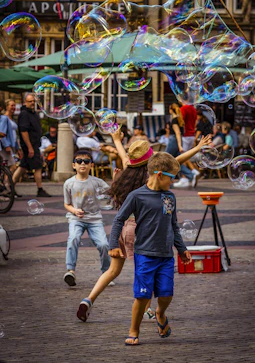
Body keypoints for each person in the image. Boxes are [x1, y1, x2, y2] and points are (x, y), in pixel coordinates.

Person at [76, 128, 211, 323]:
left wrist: (116, 139)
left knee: (113, 270)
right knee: (148, 268)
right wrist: (198, 147)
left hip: (123, 229)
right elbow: (178, 160)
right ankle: (146, 310)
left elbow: (123, 154)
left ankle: (88, 299)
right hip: (142, 230)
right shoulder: (153, 176)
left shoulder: (127, 169)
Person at [108, 152, 192, 345]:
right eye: (172, 178)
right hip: (145, 254)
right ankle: (134, 330)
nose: (173, 183)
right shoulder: (137, 196)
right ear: (160, 174)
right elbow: (118, 220)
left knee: (166, 294)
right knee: (142, 295)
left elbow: (173, 225)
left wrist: (181, 248)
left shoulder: (169, 197)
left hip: (166, 255)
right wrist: (113, 245)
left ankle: (160, 314)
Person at [63, 149, 113, 287]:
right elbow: (66, 204)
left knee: (104, 244)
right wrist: (74, 210)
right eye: (79, 161)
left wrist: (116, 178)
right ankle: (70, 270)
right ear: (74, 165)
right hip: (76, 218)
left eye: (86, 161)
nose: (82, 164)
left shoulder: (97, 182)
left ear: (91, 165)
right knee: (73, 238)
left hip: (95, 219)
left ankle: (106, 273)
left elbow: (111, 193)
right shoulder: (68, 183)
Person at [12, 94, 51, 197]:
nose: (32, 103)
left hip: (34, 145)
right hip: (30, 146)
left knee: (23, 167)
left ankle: (10, 188)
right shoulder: (24, 114)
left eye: (33, 101)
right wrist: (29, 147)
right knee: (38, 167)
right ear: (25, 102)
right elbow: (24, 132)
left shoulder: (33, 113)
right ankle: (40, 189)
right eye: (30, 101)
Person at [167, 103, 198, 188]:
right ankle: (190, 175)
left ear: (170, 110)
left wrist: (180, 146)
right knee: (177, 161)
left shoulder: (174, 120)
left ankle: (167, 180)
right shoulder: (180, 120)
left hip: (174, 140)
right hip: (180, 140)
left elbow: (177, 133)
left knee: (166, 159)